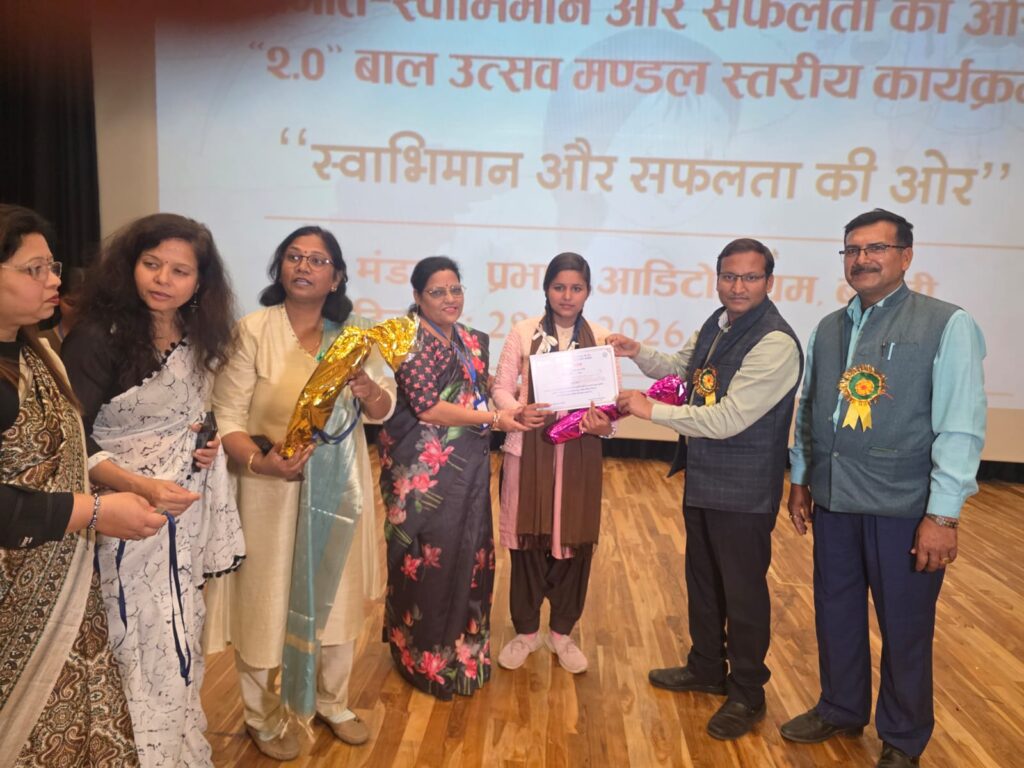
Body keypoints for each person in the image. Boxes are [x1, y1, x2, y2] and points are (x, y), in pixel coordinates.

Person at [780, 209, 986, 768]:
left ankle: (903, 736)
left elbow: (961, 426)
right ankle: (841, 707)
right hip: (834, 500)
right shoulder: (828, 327)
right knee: (836, 611)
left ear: (906, 256)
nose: (862, 259)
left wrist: (942, 516)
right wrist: (801, 478)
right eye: (852, 250)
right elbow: (810, 408)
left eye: (876, 248)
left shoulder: (947, 323)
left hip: (904, 507)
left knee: (905, 625)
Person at [61, 213, 245, 768]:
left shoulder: (198, 333)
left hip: (180, 514)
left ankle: (176, 748)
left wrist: (205, 443)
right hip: (122, 518)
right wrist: (138, 484)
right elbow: (70, 439)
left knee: (178, 633)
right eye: (151, 264)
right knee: (133, 638)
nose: (163, 279)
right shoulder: (99, 336)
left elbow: (193, 413)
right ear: (130, 266)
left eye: (180, 271)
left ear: (200, 282)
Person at [211, 226, 390, 761]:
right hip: (267, 487)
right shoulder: (253, 330)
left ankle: (332, 702)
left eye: (317, 259)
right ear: (280, 268)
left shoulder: (356, 334)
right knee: (264, 599)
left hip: (338, 488)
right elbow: (227, 415)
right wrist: (260, 461)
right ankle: (262, 716)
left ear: (336, 277)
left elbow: (384, 409)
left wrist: (368, 389)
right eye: (294, 257)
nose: (304, 266)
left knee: (336, 598)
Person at [611, 237, 802, 740]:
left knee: (742, 592)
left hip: (744, 490)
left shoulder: (775, 343)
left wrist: (651, 411)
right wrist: (637, 352)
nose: (738, 287)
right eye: (729, 276)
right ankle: (706, 668)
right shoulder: (718, 324)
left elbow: (729, 418)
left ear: (769, 282)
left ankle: (747, 691)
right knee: (703, 580)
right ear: (718, 279)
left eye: (750, 277)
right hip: (704, 479)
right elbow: (683, 370)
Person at [0, 204, 169, 767]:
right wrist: (95, 512)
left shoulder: (37, 351)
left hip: (62, 582)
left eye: (52, 266)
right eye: (34, 269)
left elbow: (68, 449)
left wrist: (129, 485)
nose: (54, 280)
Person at [379, 256, 525, 700]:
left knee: (470, 555)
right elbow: (427, 407)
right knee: (427, 562)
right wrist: (494, 418)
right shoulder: (407, 339)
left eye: (455, 289)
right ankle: (423, 659)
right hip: (422, 473)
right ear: (417, 296)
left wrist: (514, 403)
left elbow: (480, 389)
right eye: (437, 291)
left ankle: (464, 656)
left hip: (469, 466)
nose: (449, 299)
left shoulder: (473, 339)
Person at [492, 252, 615, 674]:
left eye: (576, 288)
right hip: (526, 452)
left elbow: (610, 405)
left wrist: (605, 423)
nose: (567, 296)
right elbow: (501, 387)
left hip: (580, 457)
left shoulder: (602, 339)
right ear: (546, 289)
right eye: (559, 287)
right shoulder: (523, 332)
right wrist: (517, 411)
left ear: (588, 292)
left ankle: (562, 632)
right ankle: (526, 632)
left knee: (573, 545)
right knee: (527, 544)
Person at [38, 265, 84, 353]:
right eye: (71, 303)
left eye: (84, 305)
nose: (78, 310)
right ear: (58, 299)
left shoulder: (102, 341)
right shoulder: (42, 341)